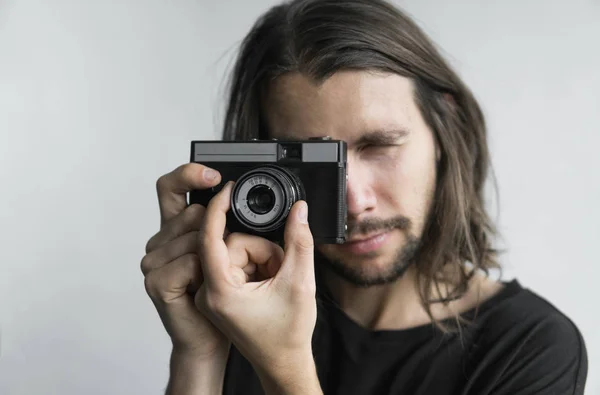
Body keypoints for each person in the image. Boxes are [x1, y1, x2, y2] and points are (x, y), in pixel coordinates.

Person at [140, 0, 588, 394]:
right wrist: (197, 352)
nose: (355, 202)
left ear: (443, 132)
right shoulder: (243, 300)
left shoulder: (529, 347)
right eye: (311, 164)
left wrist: (285, 367)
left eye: (380, 146)